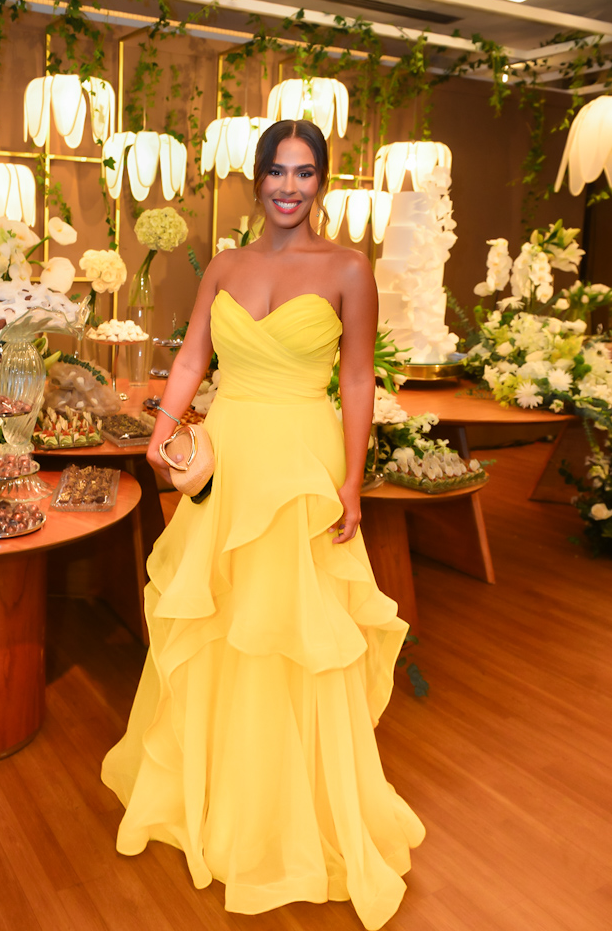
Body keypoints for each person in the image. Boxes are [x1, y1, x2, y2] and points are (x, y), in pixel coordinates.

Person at [101, 119, 424, 929]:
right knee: (223, 616)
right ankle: (220, 791)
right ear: (255, 180)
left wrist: (351, 479)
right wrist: (160, 429)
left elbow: (357, 378)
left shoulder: (348, 268)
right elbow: (192, 357)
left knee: (293, 627)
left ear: (321, 182)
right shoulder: (224, 265)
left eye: (304, 173)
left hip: (303, 459)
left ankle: (294, 808)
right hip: (232, 452)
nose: (289, 186)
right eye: (276, 172)